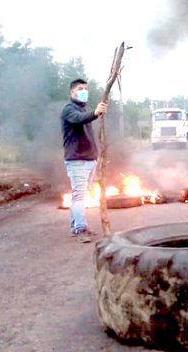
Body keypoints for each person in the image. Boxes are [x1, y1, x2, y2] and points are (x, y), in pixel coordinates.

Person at [61, 78, 107, 243]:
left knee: (81, 195)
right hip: (77, 160)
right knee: (79, 196)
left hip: (89, 159)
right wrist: (95, 113)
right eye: (80, 88)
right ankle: (80, 229)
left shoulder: (83, 110)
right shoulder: (69, 110)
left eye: (85, 89)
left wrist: (96, 156)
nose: (84, 91)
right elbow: (79, 119)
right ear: (72, 92)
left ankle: (76, 226)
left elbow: (86, 119)